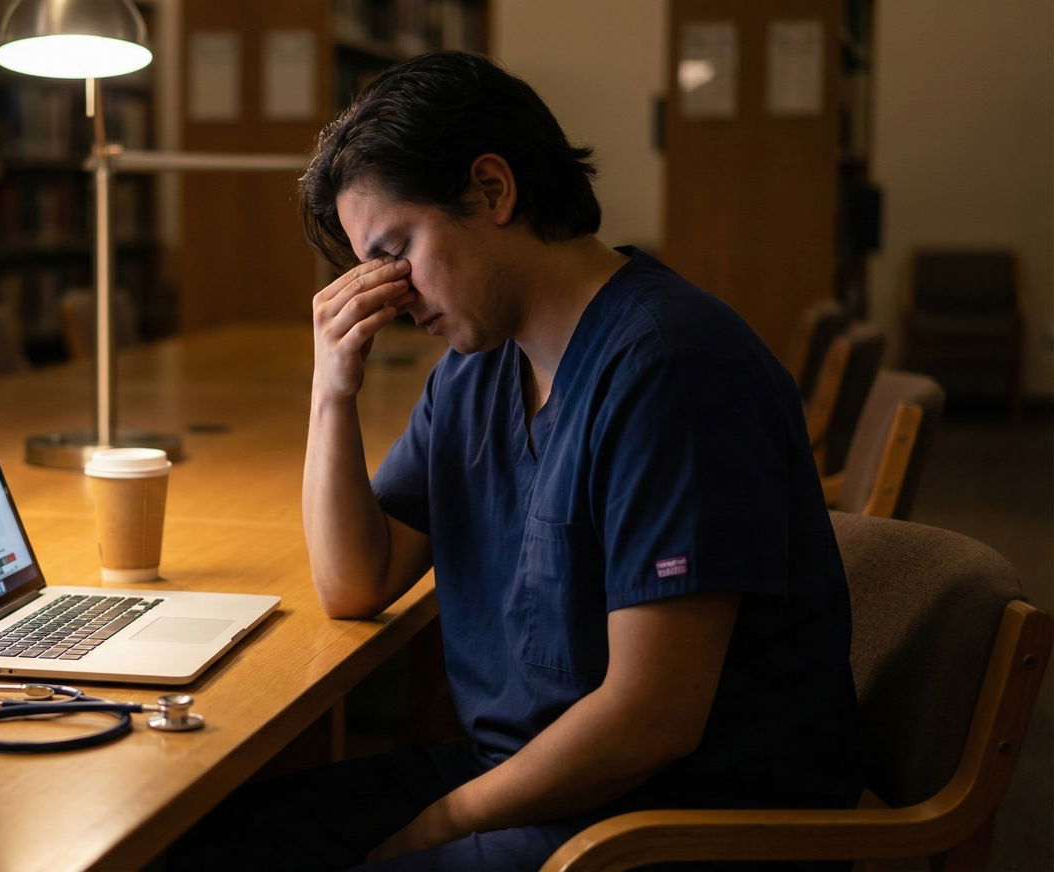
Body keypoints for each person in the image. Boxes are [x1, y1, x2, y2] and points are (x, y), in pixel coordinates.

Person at [166, 51, 861, 872]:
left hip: (666, 821)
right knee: (197, 843)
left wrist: (437, 825)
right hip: (527, 779)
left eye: (397, 250)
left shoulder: (674, 364)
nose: (389, 293)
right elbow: (357, 582)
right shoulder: (477, 370)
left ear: (492, 190)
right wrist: (331, 393)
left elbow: (653, 720)